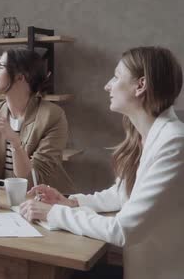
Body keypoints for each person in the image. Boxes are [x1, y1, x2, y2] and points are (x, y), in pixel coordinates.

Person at [20, 47, 184, 279]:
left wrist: (53, 213)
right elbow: (122, 194)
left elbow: (122, 230)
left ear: (141, 85)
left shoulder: (174, 143)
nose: (108, 85)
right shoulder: (146, 135)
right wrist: (70, 202)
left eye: (116, 76)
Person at [0, 48, 75, 193]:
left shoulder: (52, 116)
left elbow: (32, 181)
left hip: (46, 201)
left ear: (21, 77)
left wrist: (15, 143)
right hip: (5, 200)